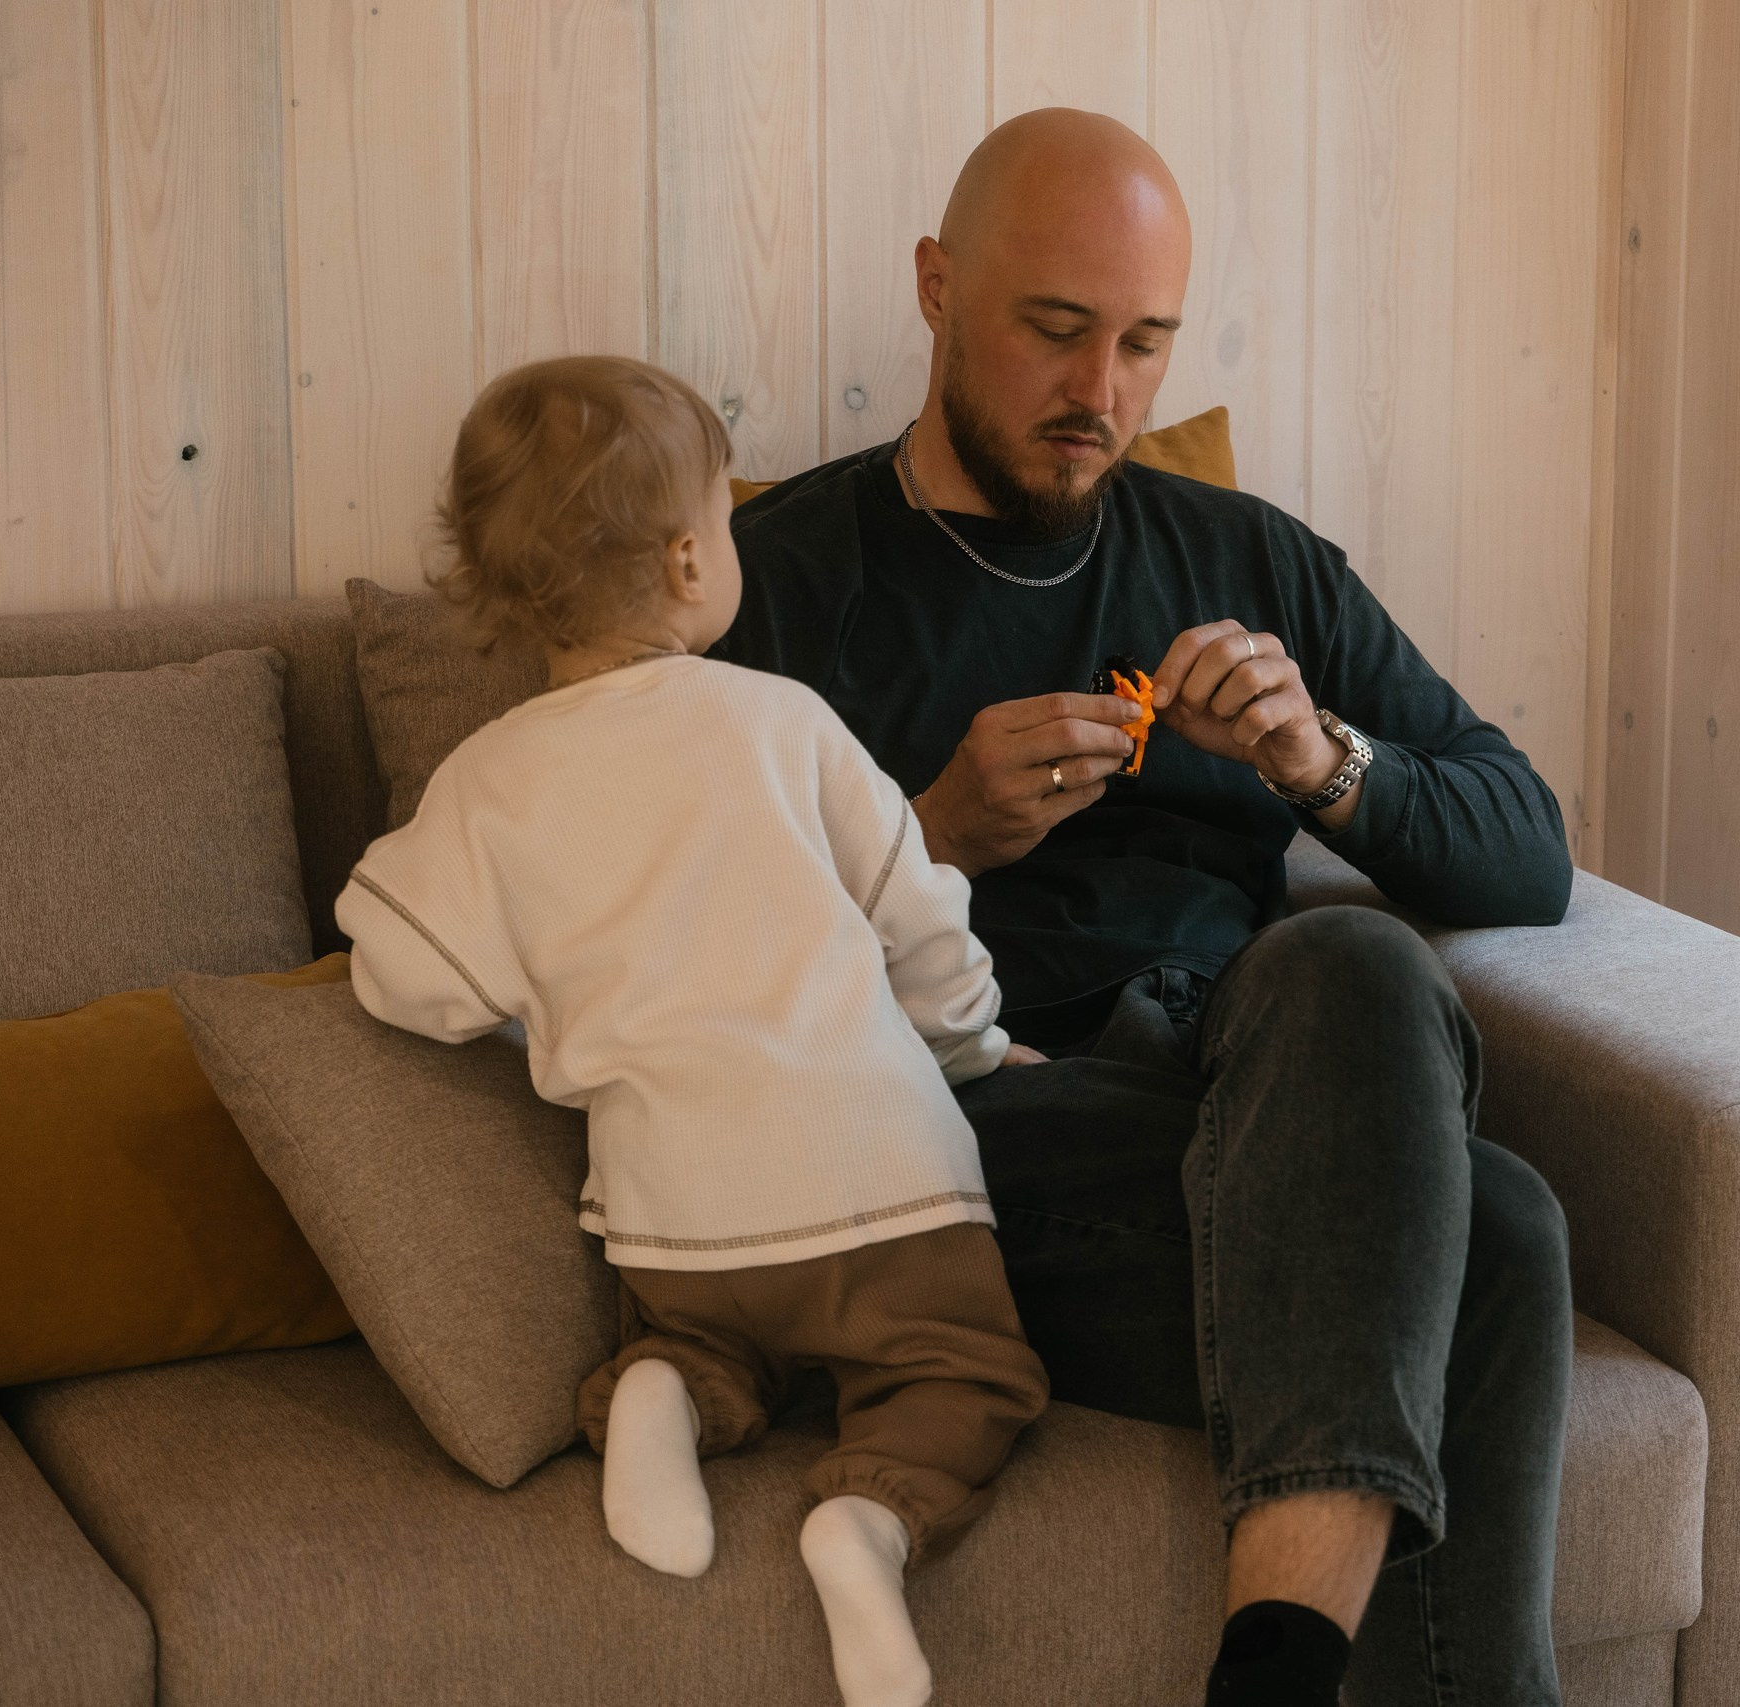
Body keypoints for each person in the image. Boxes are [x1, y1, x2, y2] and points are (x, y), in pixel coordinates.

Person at [711, 110, 1579, 1706]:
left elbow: (1528, 850)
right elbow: (671, 956)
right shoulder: (771, 584)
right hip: (969, 1133)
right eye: (1056, 332)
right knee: (1502, 1233)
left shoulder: (1250, 564)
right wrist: (933, 838)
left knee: (1350, 956)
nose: (1100, 395)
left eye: (1144, 345)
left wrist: (1323, 766)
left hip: (1248, 1090)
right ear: (935, 287)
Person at [337, 355, 1049, 1707]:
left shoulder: (491, 780)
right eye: (727, 523)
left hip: (680, 1210)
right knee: (965, 1373)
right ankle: (872, 1520)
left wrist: (518, 1000)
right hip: (885, 1180)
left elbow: (400, 973)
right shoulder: (785, 724)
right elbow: (924, 926)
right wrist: (973, 1052)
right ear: (685, 562)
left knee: (721, 1345)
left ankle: (662, 1388)